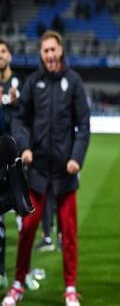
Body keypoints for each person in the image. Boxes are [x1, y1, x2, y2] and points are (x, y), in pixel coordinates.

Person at [3, 30, 90, 306]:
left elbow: (84, 126)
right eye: (45, 51)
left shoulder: (74, 82)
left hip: (65, 173)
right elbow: (19, 119)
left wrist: (76, 158)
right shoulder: (33, 82)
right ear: (41, 54)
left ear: (60, 51)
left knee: (69, 234)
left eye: (53, 50)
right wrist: (25, 147)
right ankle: (18, 284)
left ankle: (71, 288)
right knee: (28, 229)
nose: (50, 55)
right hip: (37, 172)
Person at [0, 40, 21, 289]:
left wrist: (16, 103)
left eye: (3, 51)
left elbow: (24, 117)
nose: (0, 56)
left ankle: (22, 273)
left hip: (14, 158)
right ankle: (3, 271)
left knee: (21, 215)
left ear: (10, 56)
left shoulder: (18, 84)